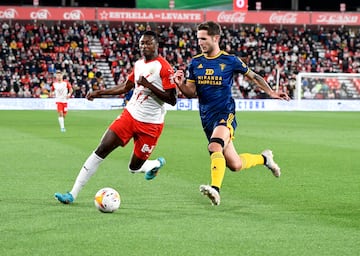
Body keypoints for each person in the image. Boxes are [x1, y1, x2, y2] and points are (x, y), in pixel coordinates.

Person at [174, 21, 290, 206]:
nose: (200, 42)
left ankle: (215, 189)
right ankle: (264, 159)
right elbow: (191, 92)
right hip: (206, 118)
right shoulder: (195, 63)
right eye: (198, 39)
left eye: (203, 39)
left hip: (225, 113)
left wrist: (271, 92)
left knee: (214, 147)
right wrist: (180, 84)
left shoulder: (230, 60)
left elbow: (254, 76)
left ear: (215, 38)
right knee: (234, 164)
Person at [55, 30, 177, 204]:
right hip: (130, 115)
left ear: (157, 45)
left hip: (151, 125)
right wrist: (99, 92)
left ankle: (154, 164)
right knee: (101, 149)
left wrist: (149, 86)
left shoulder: (164, 67)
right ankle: (72, 194)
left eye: (148, 43)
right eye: (142, 43)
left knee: (134, 168)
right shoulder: (138, 65)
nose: (145, 46)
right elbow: (125, 87)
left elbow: (172, 99)